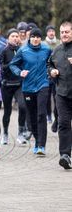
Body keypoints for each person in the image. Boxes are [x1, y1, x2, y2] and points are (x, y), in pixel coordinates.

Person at [10, 28, 51, 156]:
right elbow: (13, 65)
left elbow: (54, 62)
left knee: (41, 114)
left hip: (43, 85)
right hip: (28, 87)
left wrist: (51, 73)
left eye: (38, 37)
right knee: (32, 116)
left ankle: (41, 146)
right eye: (33, 37)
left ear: (41, 38)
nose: (35, 39)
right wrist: (19, 72)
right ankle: (37, 142)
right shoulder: (23, 50)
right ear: (30, 38)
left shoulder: (47, 49)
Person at [48, 21, 72, 169]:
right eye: (62, 32)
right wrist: (52, 71)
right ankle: (65, 155)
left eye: (67, 32)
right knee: (63, 123)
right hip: (62, 94)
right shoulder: (56, 50)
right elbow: (49, 64)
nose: (64, 34)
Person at [0, 29, 27, 145]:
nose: (15, 38)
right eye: (13, 36)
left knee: (22, 106)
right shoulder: (4, 51)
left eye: (17, 36)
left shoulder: (22, 51)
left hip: (19, 84)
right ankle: (5, 134)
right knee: (7, 111)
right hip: (7, 85)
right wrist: (11, 65)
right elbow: (0, 68)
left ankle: (20, 133)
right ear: (8, 38)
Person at [43, 25, 60, 128]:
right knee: (47, 97)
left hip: (57, 73)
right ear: (47, 33)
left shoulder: (59, 43)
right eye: (49, 31)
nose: (51, 33)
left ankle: (56, 116)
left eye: (53, 31)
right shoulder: (43, 44)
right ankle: (48, 115)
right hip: (46, 73)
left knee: (56, 97)